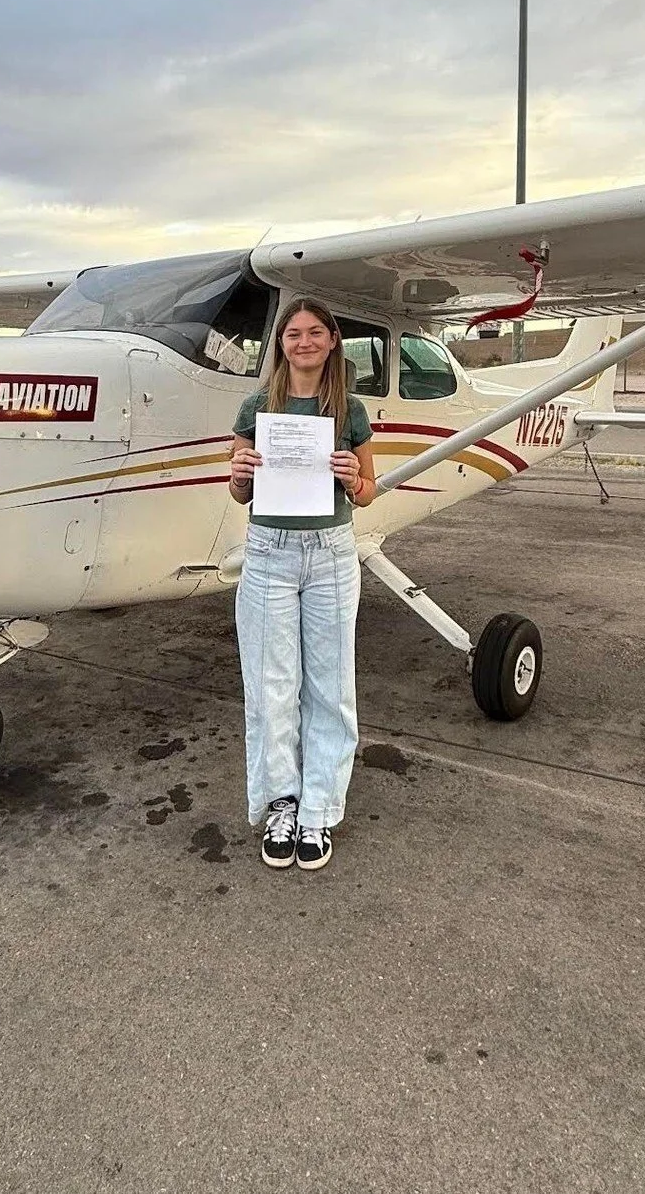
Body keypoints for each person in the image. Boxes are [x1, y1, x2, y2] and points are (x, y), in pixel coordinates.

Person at [228, 297, 376, 871]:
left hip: (331, 554)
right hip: (269, 553)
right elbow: (240, 493)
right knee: (271, 686)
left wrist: (354, 477)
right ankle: (282, 803)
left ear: (333, 340)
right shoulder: (256, 407)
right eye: (293, 333)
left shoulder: (350, 409)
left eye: (315, 332)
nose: (304, 342)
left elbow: (368, 493)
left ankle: (320, 808)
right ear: (281, 344)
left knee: (331, 688)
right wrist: (239, 474)